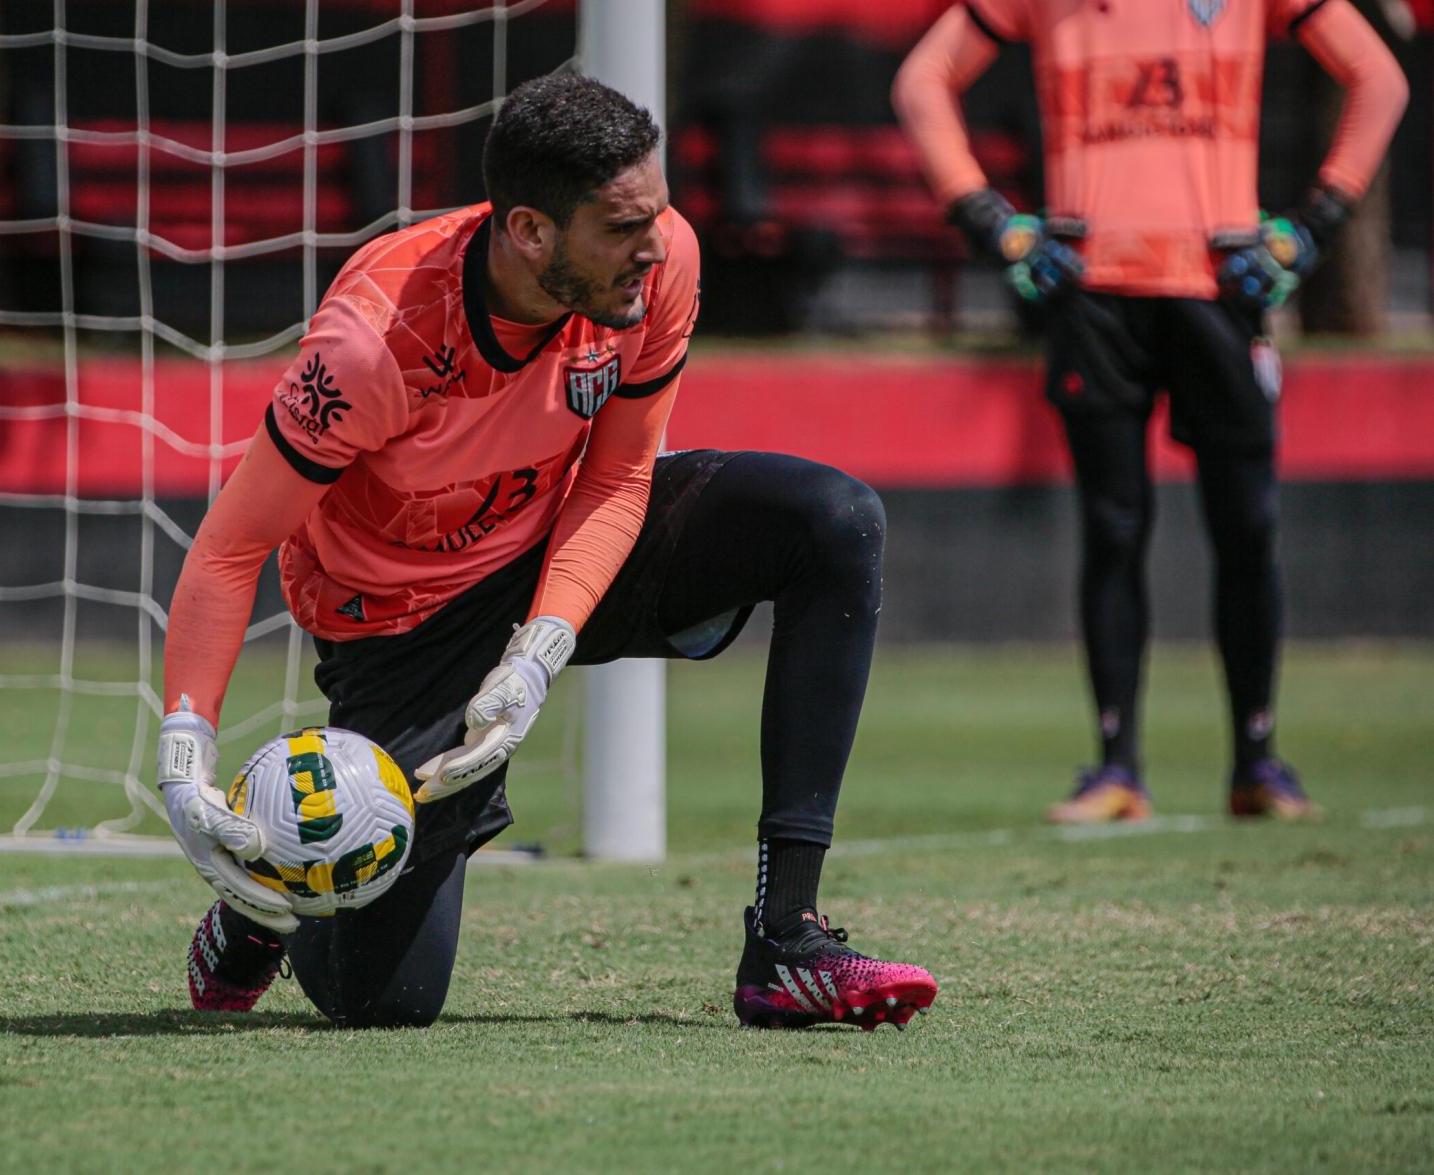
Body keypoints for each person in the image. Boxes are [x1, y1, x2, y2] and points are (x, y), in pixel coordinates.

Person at [153, 74, 937, 1030]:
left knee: (832, 520)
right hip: (407, 623)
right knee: (384, 998)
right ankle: (264, 893)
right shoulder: (372, 343)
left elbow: (615, 481)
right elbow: (233, 546)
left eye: (656, 212)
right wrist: (184, 753)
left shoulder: (661, 261)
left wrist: (542, 647)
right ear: (529, 231)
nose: (654, 246)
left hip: (567, 536)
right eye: (620, 227)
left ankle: (786, 943)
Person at [893, 0, 1407, 823]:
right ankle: (1117, 768)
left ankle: (1257, 763)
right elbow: (922, 80)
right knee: (1115, 530)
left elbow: (1380, 78)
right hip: (1093, 292)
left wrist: (1316, 225)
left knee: (1247, 528)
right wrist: (991, 223)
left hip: (1220, 285)